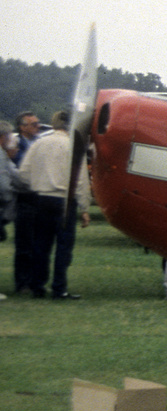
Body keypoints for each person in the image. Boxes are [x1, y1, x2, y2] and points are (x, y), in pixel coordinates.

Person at [16, 110, 89, 300]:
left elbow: (23, 173)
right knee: (63, 247)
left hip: (42, 198)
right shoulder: (74, 146)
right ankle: (59, 288)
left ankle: (37, 286)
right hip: (65, 201)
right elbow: (80, 179)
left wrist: (37, 185)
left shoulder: (39, 143)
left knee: (41, 244)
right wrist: (85, 208)